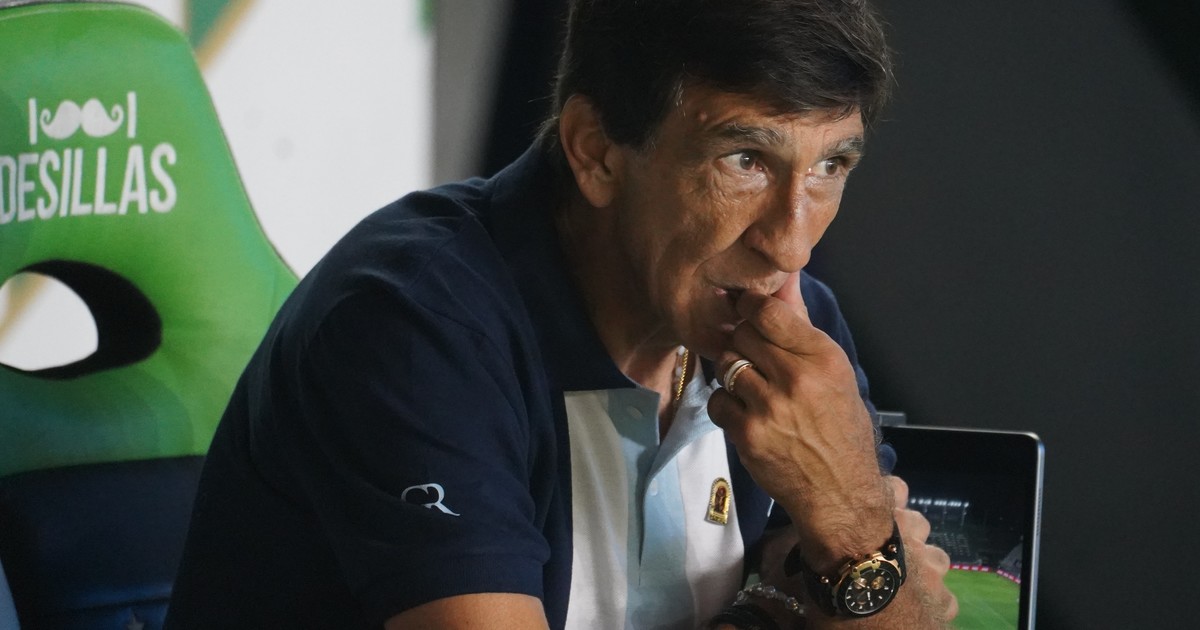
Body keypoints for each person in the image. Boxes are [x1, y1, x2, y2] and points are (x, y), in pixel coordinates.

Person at [166, 0, 957, 628]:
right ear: (595, 150)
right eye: (745, 159)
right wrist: (777, 612)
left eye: (830, 165)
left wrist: (850, 521)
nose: (791, 244)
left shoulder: (794, 325)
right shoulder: (413, 325)